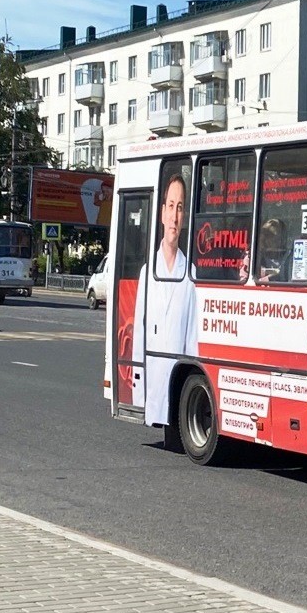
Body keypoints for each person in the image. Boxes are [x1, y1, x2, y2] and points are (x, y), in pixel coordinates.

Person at [133, 170, 199, 428]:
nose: (174, 216)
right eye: (170, 206)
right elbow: (139, 333)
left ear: (184, 217)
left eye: (180, 208)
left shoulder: (189, 274)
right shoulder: (148, 272)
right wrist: (139, 394)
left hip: (178, 385)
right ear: (161, 213)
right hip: (153, 382)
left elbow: (192, 341)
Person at [257, 217, 290, 282]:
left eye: (269, 235)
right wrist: (269, 279)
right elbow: (243, 286)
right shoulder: (252, 258)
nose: (263, 238)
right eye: (263, 234)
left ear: (282, 239)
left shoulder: (289, 258)